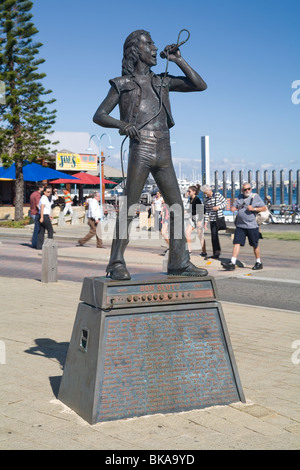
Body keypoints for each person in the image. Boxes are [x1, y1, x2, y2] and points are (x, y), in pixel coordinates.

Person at [93, 29, 208, 280]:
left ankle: (179, 262)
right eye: (149, 44)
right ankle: (116, 263)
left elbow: (199, 85)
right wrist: (122, 125)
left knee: (177, 207)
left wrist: (178, 59)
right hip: (141, 148)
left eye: (154, 44)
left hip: (164, 149)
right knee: (130, 208)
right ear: (136, 51)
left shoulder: (162, 81)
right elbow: (99, 115)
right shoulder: (122, 84)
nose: (155, 48)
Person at [221, 183, 267, 271]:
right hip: (240, 225)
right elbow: (234, 206)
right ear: (242, 190)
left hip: (252, 226)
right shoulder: (240, 197)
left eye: (248, 189)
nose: (247, 191)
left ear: (251, 189)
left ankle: (258, 262)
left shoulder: (255, 197)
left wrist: (254, 209)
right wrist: (233, 208)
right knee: (236, 243)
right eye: (245, 189)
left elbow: (264, 208)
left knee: (254, 244)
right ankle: (232, 262)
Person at [201, 184, 227, 259]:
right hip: (212, 219)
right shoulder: (206, 199)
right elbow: (207, 211)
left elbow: (225, 203)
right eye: (205, 193)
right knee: (214, 235)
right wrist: (205, 223)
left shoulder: (217, 195)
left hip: (219, 217)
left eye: (207, 192)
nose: (207, 194)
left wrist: (218, 207)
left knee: (215, 235)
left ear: (210, 190)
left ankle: (217, 252)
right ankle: (216, 252)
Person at [185, 184, 206, 256]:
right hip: (192, 218)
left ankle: (204, 252)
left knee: (200, 235)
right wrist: (186, 211)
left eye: (189, 191)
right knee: (187, 232)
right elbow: (190, 209)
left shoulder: (197, 200)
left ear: (194, 192)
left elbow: (201, 211)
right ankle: (189, 250)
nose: (188, 192)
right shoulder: (190, 199)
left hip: (198, 218)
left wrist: (199, 221)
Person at [30, 184, 44, 248]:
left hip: (32, 212)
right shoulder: (38, 195)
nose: (43, 189)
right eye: (43, 188)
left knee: (36, 228)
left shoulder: (32, 194)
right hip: (36, 213)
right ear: (40, 188)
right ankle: (35, 243)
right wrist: (42, 212)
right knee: (37, 229)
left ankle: (34, 242)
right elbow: (38, 205)